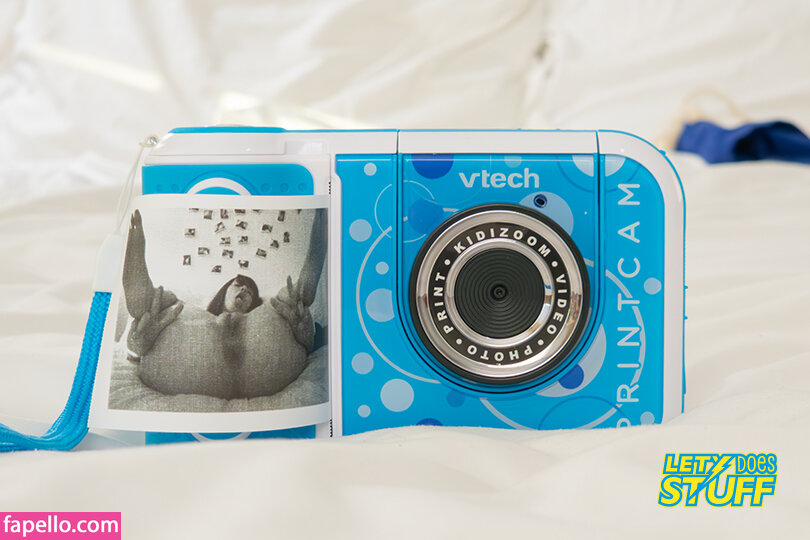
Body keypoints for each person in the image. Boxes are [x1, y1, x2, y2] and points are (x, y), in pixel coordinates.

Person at [121, 208, 327, 399]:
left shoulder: (271, 312)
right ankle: (136, 266)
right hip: (183, 374)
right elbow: (134, 348)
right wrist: (135, 345)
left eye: (250, 292)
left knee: (290, 299)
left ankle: (312, 261)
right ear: (223, 291)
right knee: (155, 305)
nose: (244, 290)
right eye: (239, 285)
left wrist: (306, 339)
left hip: (265, 372)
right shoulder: (185, 309)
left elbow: (314, 339)